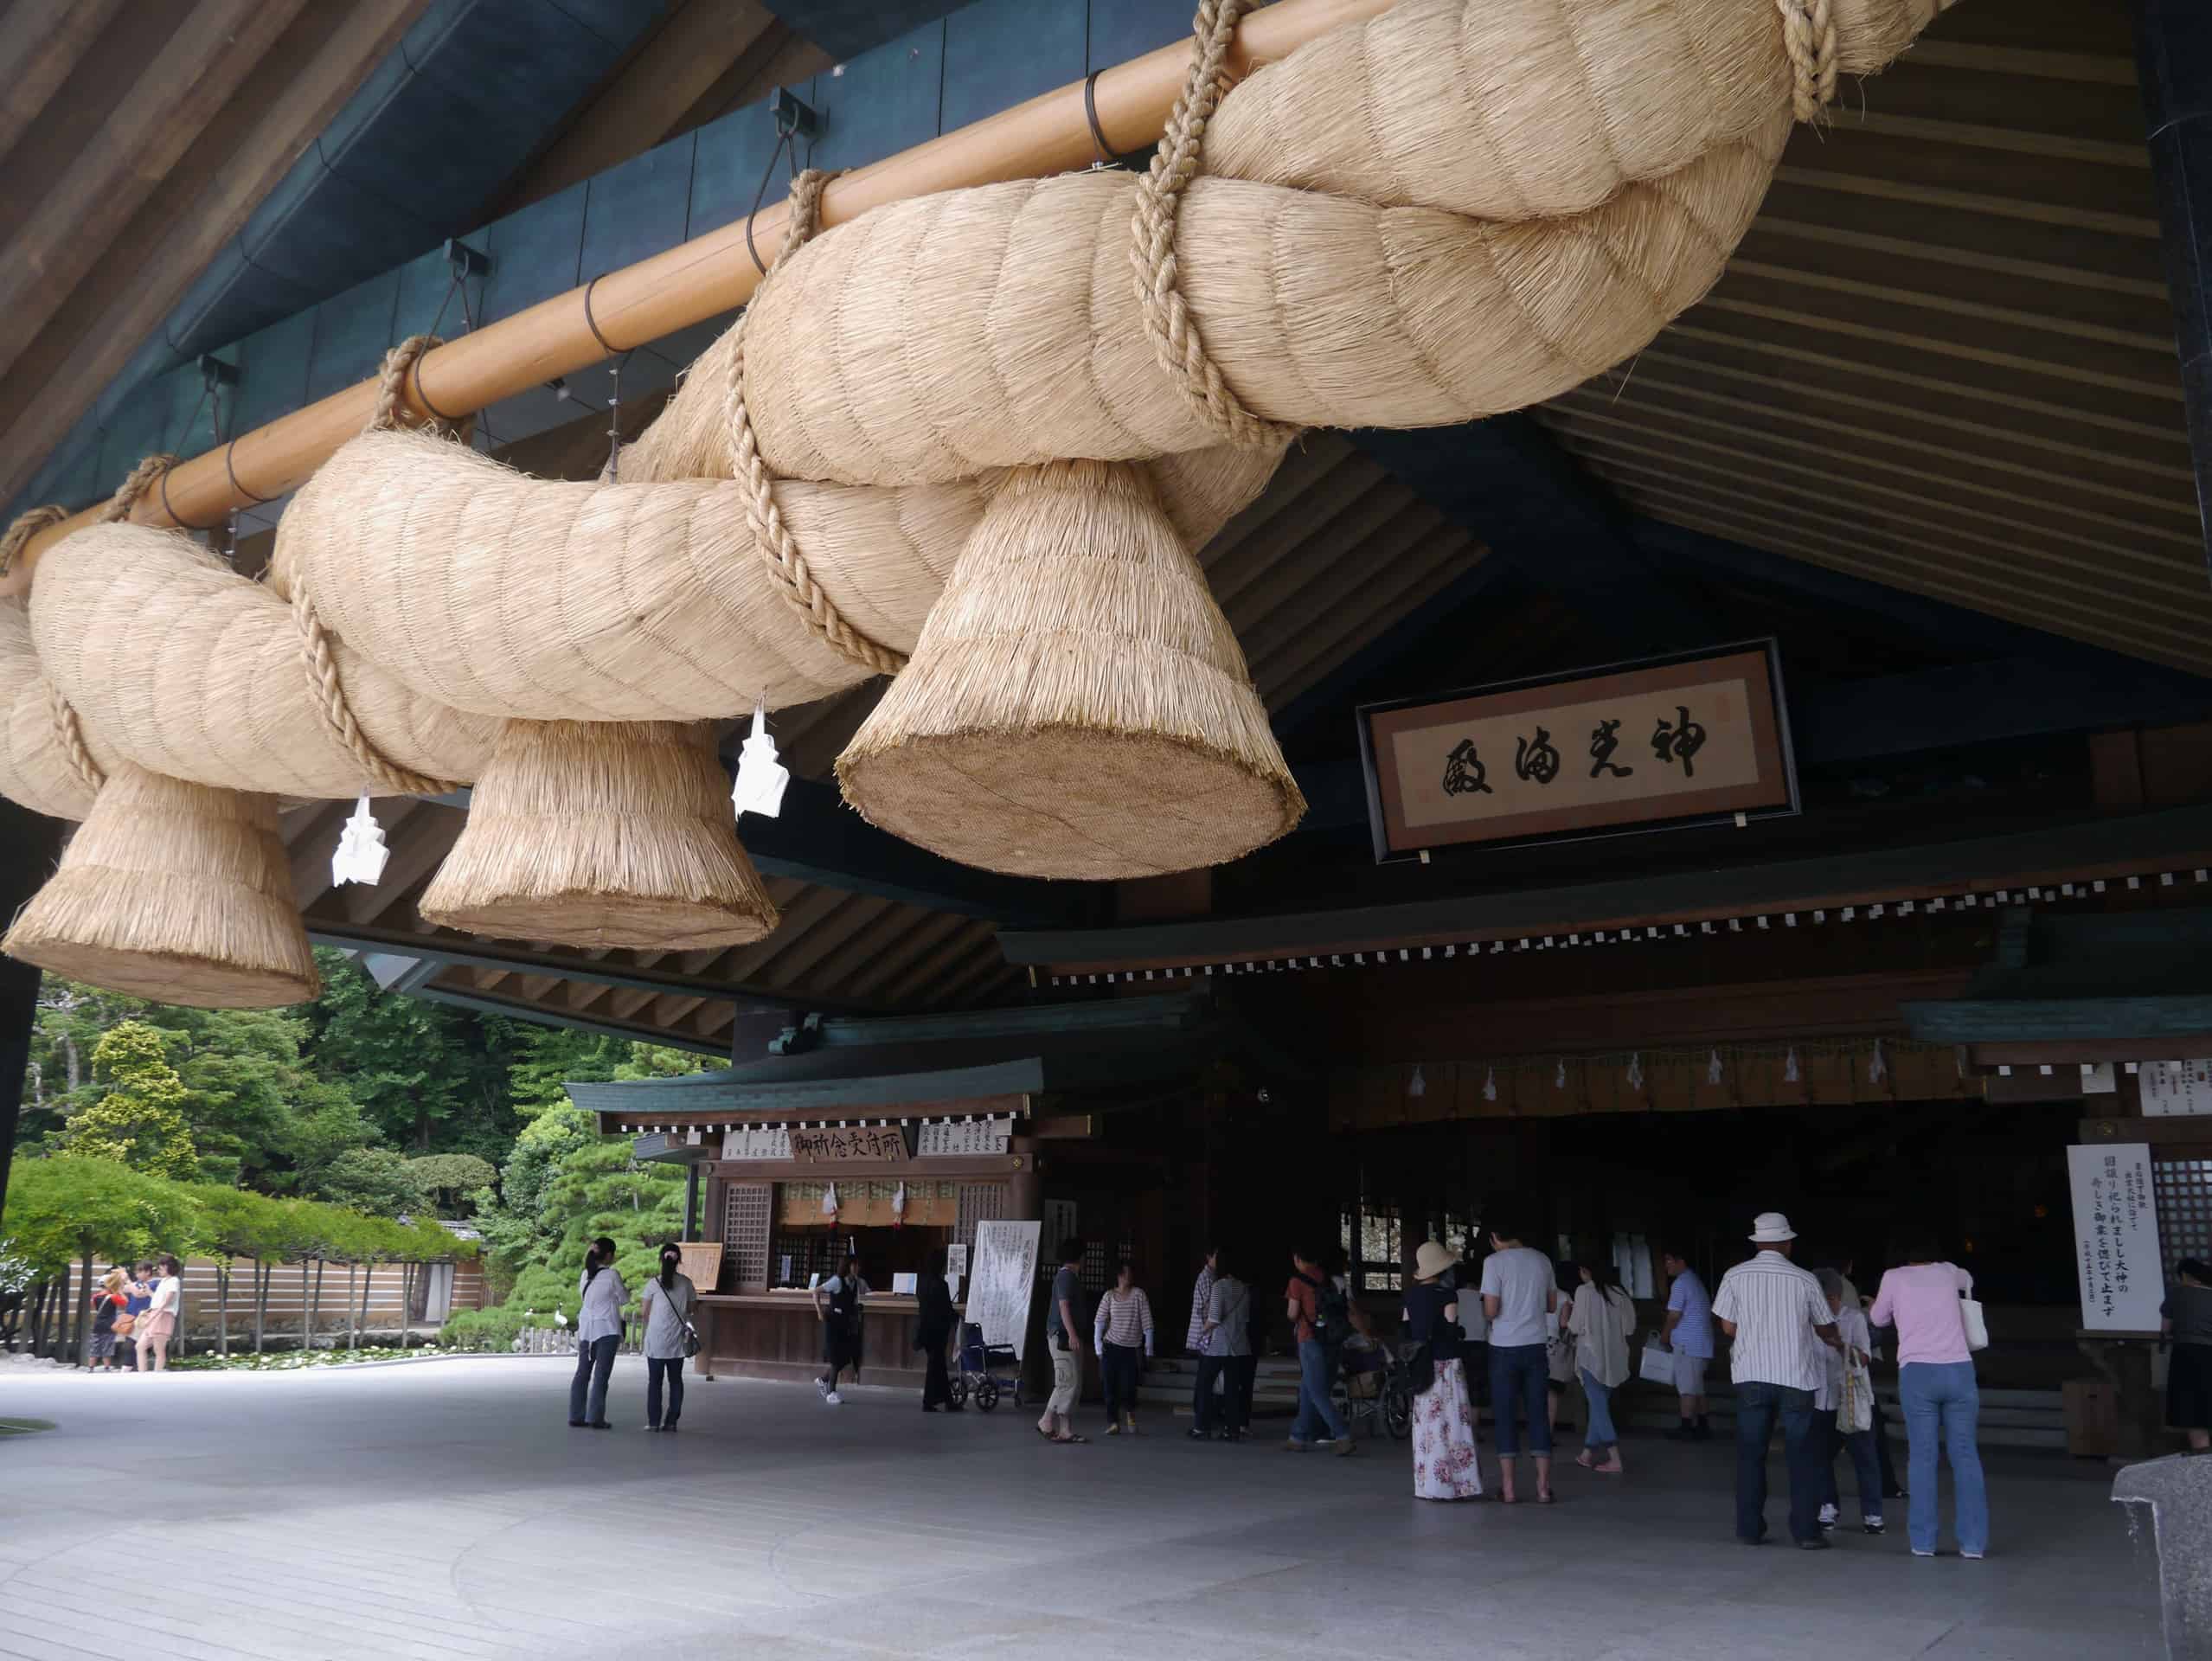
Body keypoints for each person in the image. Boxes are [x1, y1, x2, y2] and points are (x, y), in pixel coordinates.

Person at [1712, 1212, 1842, 1549]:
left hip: (1751, 1376)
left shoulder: (1734, 1276)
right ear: (1786, 1243)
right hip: (1796, 1377)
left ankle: (1750, 1529)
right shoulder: (1804, 1280)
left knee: (1751, 1454)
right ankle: (1806, 1532)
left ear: (1757, 1242)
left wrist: (1757, 1334)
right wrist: (1832, 1337)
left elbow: (1727, 1327)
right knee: (1803, 1456)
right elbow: (1824, 1326)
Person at [1870, 1228, 1987, 1559]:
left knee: (1922, 1457)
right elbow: (1968, 1281)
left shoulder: (1893, 1277)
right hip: (1960, 1371)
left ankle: (1924, 1542)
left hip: (1918, 1372)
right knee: (1965, 1454)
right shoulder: (1949, 1271)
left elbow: (1878, 1318)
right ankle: (1973, 1544)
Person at [1480, 1222, 1559, 1503]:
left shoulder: (1493, 1263)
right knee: (1538, 1414)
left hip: (1503, 1348)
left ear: (1494, 1236)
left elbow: (1491, 1310)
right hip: (1536, 1345)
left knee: (1505, 1415)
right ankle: (1542, 1488)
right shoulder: (1542, 1260)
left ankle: (1510, 1490)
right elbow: (1551, 1306)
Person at [1404, 1241, 1483, 1500]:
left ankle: (1428, 1485)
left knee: (1427, 1424)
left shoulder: (1411, 1296)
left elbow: (1406, 1330)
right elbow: (1450, 1329)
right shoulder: (1448, 1295)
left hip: (1421, 1365)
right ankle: (1457, 1485)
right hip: (1446, 1364)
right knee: (1451, 1422)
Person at [1812, 1267, 1883, 1534]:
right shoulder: (1807, 1321)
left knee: (1865, 1457)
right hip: (1821, 1398)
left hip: (1852, 1399)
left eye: (1822, 1299)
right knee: (1820, 1457)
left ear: (1833, 1297)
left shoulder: (1853, 1319)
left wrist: (1840, 1345)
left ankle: (1873, 1514)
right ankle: (1828, 1506)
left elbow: (1864, 1359)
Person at [1284, 1247, 1356, 1456]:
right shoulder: (1328, 1278)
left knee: (1316, 1392)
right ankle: (1297, 1437)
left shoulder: (1297, 1281)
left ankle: (1342, 1435)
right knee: (1307, 1388)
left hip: (1309, 1339)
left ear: (1297, 1258)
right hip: (1330, 1338)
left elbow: (1292, 1313)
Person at [1567, 1260, 1634, 1474]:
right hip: (1616, 1358)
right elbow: (1630, 1328)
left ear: (1586, 1270)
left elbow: (1575, 1326)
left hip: (1590, 1357)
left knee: (1598, 1407)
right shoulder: (1620, 1293)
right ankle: (1587, 1454)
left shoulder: (1584, 1292)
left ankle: (1615, 1458)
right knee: (1599, 1406)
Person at [1191, 1256, 1251, 1441]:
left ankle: (1202, 1427)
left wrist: (1201, 1332)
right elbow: (1245, 1319)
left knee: (1204, 1384)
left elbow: (1214, 1318)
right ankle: (1231, 1430)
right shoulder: (1244, 1289)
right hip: (1239, 1345)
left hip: (1218, 1345)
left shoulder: (1218, 1287)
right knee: (1232, 1388)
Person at [638, 1242, 696, 1433]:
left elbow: (645, 1312)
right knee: (676, 1381)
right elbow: (691, 1308)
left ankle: (653, 1422)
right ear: (679, 1260)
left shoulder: (653, 1283)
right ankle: (671, 1422)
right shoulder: (686, 1283)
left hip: (656, 1340)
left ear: (660, 1259)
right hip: (677, 1340)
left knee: (654, 1382)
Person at [1657, 1247, 1715, 1440]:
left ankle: (1686, 1427)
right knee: (1697, 1387)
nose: (1666, 1265)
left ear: (1681, 1261)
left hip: (1688, 1344)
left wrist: (1664, 1336)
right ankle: (1703, 1426)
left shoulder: (1681, 1284)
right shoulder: (1695, 1281)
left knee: (1687, 1389)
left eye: (1669, 1260)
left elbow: (1674, 1316)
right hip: (1700, 1343)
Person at [1093, 1258, 1155, 1435]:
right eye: (1126, 1272)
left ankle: (1130, 1413)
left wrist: (1149, 1349)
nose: (1129, 1276)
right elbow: (1099, 1322)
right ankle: (1113, 1422)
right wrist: (1098, 1347)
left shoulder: (1139, 1295)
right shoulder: (1109, 1296)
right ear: (1119, 1275)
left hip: (1130, 1349)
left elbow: (1147, 1323)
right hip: (1110, 1346)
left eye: (1130, 1272)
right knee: (1109, 1385)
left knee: (1129, 1386)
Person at [1036, 1237, 1088, 1445]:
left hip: (1063, 1336)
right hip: (1062, 1337)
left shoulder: (1067, 1277)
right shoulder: (1067, 1277)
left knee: (1070, 1382)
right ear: (1079, 1257)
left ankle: (1064, 1429)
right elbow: (1064, 1306)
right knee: (1067, 1382)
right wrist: (1073, 1334)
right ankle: (1046, 1420)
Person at [569, 1235, 625, 1428]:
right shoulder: (612, 1275)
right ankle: (595, 1417)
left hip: (586, 1329)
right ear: (609, 1255)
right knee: (601, 1375)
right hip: (607, 1329)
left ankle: (576, 1415)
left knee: (582, 1373)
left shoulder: (586, 1274)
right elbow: (624, 1299)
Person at [2164, 1259, 2212, 1455]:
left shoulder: (2177, 1293)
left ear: (2185, 1276)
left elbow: (2165, 1329)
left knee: (2191, 1403)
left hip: (2187, 1354)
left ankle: (2202, 1451)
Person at [811, 1253, 869, 1406]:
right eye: (854, 1264)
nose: (857, 1267)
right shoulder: (837, 1281)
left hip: (845, 1324)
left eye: (858, 1265)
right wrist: (819, 1312)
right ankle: (831, 1393)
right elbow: (816, 1292)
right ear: (847, 1266)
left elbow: (852, 1302)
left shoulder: (855, 1283)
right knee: (836, 1359)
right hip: (832, 1322)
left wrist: (856, 1308)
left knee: (844, 1358)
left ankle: (823, 1380)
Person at [916, 1248, 959, 1413]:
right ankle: (929, 1402)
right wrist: (958, 1318)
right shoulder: (941, 1285)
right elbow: (946, 1309)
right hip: (938, 1332)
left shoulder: (921, 1283)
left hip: (925, 1329)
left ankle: (947, 1401)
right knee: (935, 1366)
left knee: (938, 1366)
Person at [1545, 1265, 1579, 1438]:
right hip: (1553, 1343)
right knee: (1552, 1391)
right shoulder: (1564, 1295)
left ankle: (1535, 1433)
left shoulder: (1535, 1292)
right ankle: (1547, 1434)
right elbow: (1565, 1323)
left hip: (1532, 1341)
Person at [134, 1254, 183, 1373]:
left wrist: (152, 1318)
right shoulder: (164, 1281)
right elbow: (158, 1300)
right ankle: (142, 1374)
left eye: (160, 1268)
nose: (158, 1270)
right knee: (140, 1346)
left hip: (164, 1316)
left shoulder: (173, 1281)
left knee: (158, 1349)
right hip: (156, 1314)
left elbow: (166, 1302)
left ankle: (157, 1374)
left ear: (167, 1267)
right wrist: (150, 1292)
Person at [87, 1267, 130, 1371]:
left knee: (95, 1347)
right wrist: (119, 1291)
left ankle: (91, 1368)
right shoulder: (113, 1297)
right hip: (109, 1326)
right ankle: (107, 1368)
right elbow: (125, 1302)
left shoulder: (95, 1297)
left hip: (97, 1325)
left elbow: (93, 1306)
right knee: (107, 1347)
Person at [118, 1261, 153, 1371]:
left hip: (142, 1319)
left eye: (139, 1272)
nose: (137, 1274)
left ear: (148, 1272)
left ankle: (127, 1369)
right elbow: (122, 1289)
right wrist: (119, 1278)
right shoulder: (137, 1283)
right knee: (131, 1345)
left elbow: (138, 1293)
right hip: (131, 1318)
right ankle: (132, 1368)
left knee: (131, 1345)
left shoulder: (153, 1284)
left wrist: (127, 1279)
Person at [1185, 1245, 1218, 1358]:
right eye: (1217, 1256)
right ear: (1209, 1257)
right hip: (1204, 1329)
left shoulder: (1212, 1276)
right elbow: (1209, 1306)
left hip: (1207, 1329)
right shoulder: (1206, 1277)